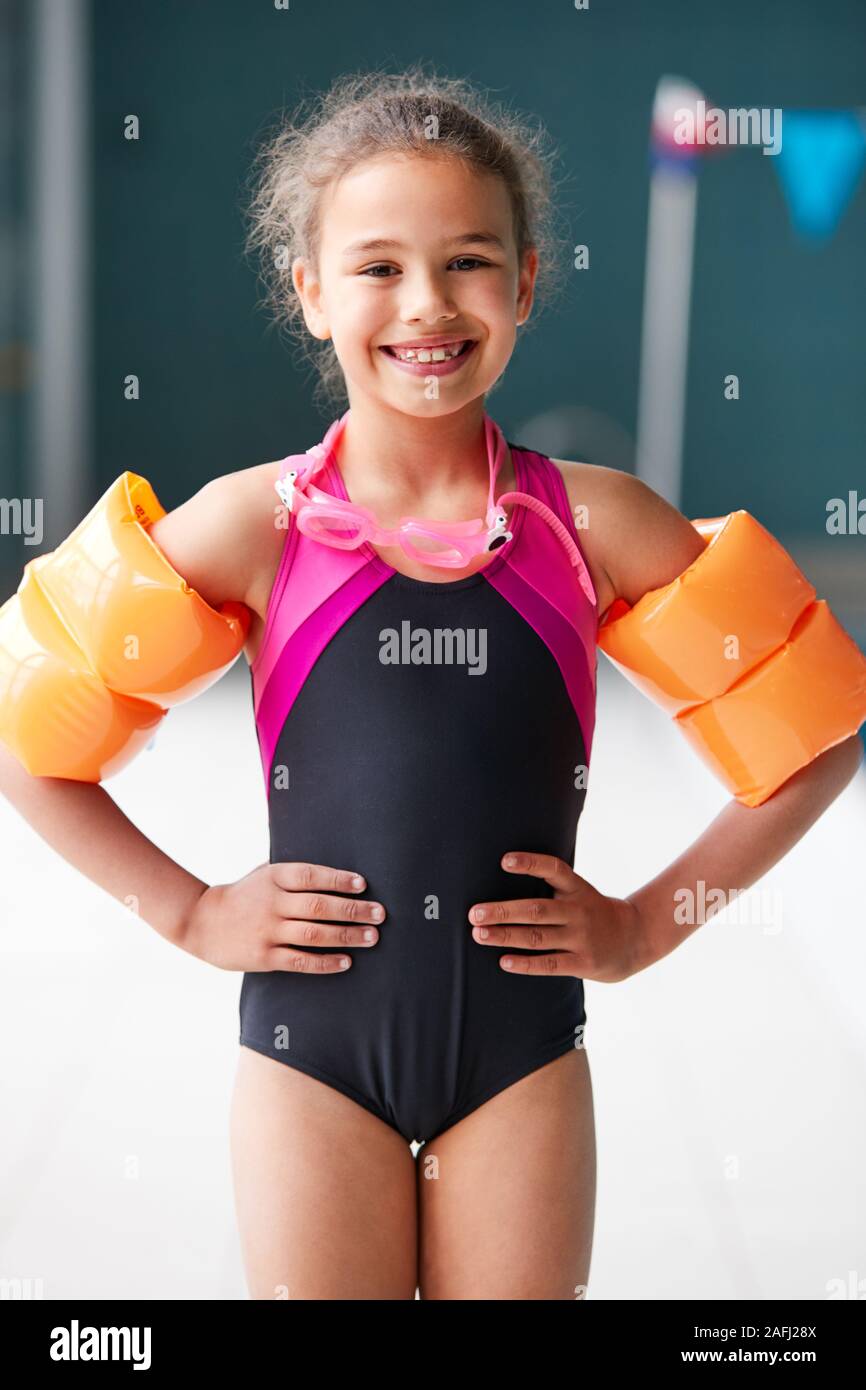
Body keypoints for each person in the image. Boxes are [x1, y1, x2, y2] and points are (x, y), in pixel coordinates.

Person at [1, 64, 862, 1301]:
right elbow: (25, 726)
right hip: (312, 1060)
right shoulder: (254, 525)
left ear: (520, 284)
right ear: (308, 292)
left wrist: (640, 927)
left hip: (517, 1064)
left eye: (467, 261)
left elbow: (818, 727)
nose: (425, 303)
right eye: (376, 267)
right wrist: (189, 912)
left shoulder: (591, 524)